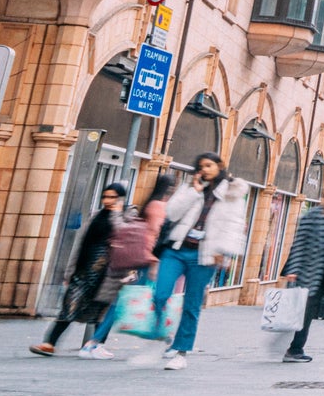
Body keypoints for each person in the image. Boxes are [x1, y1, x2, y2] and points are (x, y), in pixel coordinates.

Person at [152, 153, 251, 370]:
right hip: (177, 249)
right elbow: (171, 213)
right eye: (201, 166)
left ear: (220, 166)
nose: (204, 169)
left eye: (209, 165)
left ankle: (181, 351)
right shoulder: (190, 187)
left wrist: (223, 251)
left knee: (192, 304)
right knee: (160, 294)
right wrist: (192, 192)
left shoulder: (233, 192)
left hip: (205, 255)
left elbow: (234, 224)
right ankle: (165, 332)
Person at [31, 182, 128, 356]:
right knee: (69, 306)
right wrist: (70, 270)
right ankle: (49, 343)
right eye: (105, 196)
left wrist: (116, 213)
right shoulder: (95, 216)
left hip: (106, 275)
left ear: (121, 199)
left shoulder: (124, 217)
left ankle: (96, 345)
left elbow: (123, 237)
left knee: (101, 311)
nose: (107, 200)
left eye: (112, 197)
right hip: (84, 271)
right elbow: (80, 244)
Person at [88, 173, 174, 354]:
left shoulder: (149, 204)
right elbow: (156, 236)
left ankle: (167, 341)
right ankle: (95, 342)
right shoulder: (160, 207)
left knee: (129, 299)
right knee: (142, 300)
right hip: (148, 261)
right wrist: (154, 262)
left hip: (142, 259)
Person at [278, 184, 324, 363]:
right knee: (306, 313)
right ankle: (294, 349)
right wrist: (292, 269)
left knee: (309, 313)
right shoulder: (311, 217)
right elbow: (299, 243)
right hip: (310, 272)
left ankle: (295, 347)